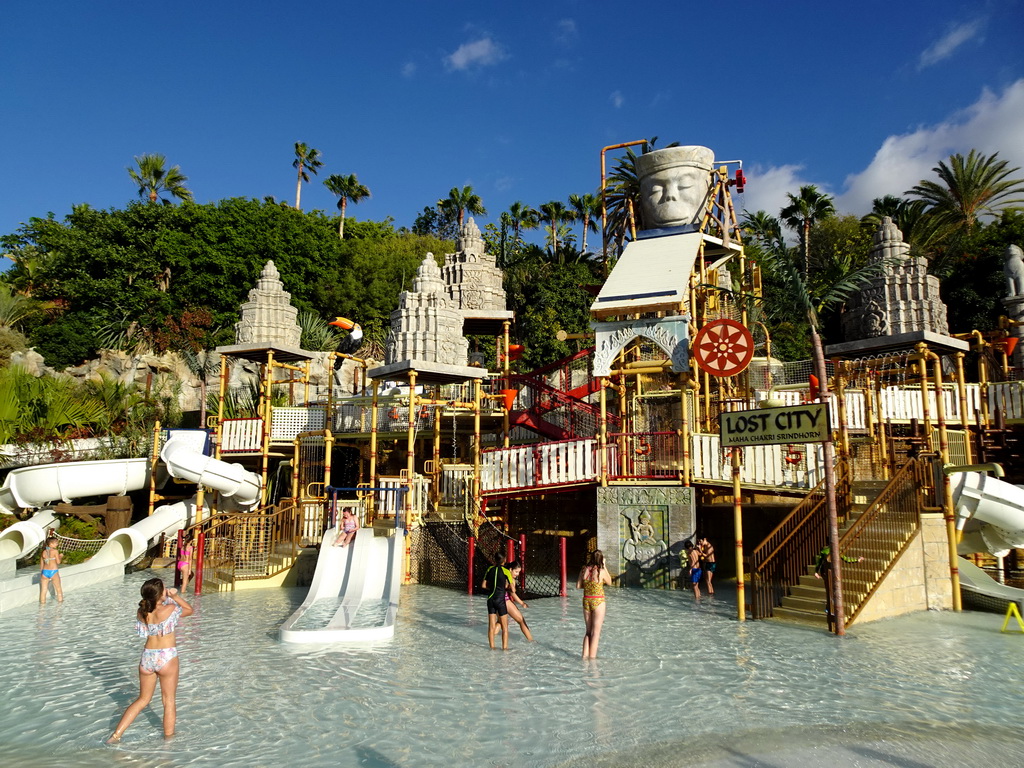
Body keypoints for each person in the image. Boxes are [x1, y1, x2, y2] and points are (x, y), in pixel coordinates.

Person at [108, 577, 193, 743]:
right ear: (161, 593)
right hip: (166, 656)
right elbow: (189, 610)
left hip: (147, 657)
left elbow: (154, 608)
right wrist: (174, 596)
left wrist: (163, 597)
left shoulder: (142, 612)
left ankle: (115, 736)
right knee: (168, 701)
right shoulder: (169, 608)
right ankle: (168, 744)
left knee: (142, 700)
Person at [577, 549, 612, 659]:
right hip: (598, 601)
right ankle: (592, 659)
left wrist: (588, 586)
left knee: (588, 632)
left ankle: (584, 656)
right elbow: (610, 582)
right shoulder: (601, 571)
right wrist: (605, 566)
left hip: (586, 600)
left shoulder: (584, 570)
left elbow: (578, 586)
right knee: (595, 633)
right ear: (601, 559)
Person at [482, 552, 513, 650]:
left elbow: (483, 585)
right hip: (501, 600)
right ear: (504, 560)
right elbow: (513, 589)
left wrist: (492, 589)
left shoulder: (489, 569)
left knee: (491, 626)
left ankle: (492, 648)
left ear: (495, 560)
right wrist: (504, 588)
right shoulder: (506, 571)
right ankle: (505, 649)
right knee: (505, 627)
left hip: (491, 599)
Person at [505, 561, 533, 642]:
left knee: (499, 623)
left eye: (519, 572)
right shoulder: (511, 579)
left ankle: (490, 639)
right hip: (504, 600)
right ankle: (531, 641)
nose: (517, 574)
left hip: (494, 600)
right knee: (521, 620)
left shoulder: (502, 575)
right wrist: (522, 603)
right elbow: (512, 593)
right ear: (510, 569)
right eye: (516, 571)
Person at [39, 534, 63, 604]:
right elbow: (58, 562)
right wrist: (60, 556)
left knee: (43, 591)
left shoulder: (44, 552)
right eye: (56, 543)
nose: (57, 544)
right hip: (53, 571)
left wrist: (42, 573)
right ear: (51, 543)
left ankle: (42, 607)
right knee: (58, 590)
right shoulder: (55, 551)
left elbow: (41, 564)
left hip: (44, 572)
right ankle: (60, 606)